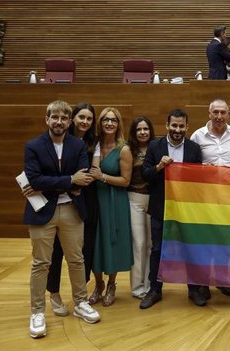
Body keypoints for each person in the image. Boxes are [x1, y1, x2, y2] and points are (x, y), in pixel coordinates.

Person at [23, 100, 100, 338]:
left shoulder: (77, 145)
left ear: (69, 121)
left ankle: (80, 303)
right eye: (54, 117)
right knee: (41, 263)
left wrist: (54, 183)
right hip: (42, 211)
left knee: (76, 259)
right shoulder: (33, 146)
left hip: (71, 210)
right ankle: (37, 312)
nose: (59, 122)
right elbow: (34, 180)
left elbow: (84, 177)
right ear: (47, 119)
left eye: (64, 118)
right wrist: (68, 181)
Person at [140, 109, 204, 309]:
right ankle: (155, 289)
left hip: (186, 209)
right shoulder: (154, 146)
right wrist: (159, 166)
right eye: (174, 125)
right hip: (160, 207)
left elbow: (198, 180)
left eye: (181, 126)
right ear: (167, 126)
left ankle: (193, 289)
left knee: (189, 248)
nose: (177, 129)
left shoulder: (194, 149)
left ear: (187, 126)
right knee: (158, 249)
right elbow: (145, 174)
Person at [45, 103, 99, 318]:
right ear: (72, 119)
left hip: (87, 199)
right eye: (81, 117)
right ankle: (54, 293)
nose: (84, 122)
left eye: (89, 118)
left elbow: (87, 174)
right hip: (58, 201)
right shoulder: (54, 140)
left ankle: (80, 297)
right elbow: (48, 174)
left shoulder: (92, 142)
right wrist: (70, 183)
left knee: (82, 251)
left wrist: (75, 182)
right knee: (55, 251)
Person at [190, 99, 230, 296]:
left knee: (224, 239)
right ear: (209, 113)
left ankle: (222, 278)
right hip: (204, 197)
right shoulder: (197, 135)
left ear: (228, 114)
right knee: (204, 240)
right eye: (216, 112)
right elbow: (190, 164)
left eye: (223, 113)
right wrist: (202, 169)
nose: (219, 116)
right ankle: (202, 282)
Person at [89, 107, 134, 307]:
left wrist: (103, 177)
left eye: (113, 120)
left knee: (113, 243)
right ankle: (98, 285)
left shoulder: (123, 149)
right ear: (100, 123)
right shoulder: (93, 145)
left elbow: (125, 181)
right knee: (94, 243)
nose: (109, 123)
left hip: (115, 200)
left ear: (118, 124)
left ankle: (112, 285)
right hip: (94, 200)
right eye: (106, 120)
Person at [126, 116, 154, 299]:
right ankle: (137, 287)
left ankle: (150, 285)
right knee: (139, 244)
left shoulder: (157, 148)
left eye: (146, 129)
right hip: (134, 199)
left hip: (154, 200)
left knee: (152, 245)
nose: (143, 132)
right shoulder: (128, 150)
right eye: (139, 129)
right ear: (134, 132)